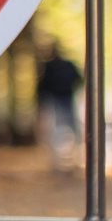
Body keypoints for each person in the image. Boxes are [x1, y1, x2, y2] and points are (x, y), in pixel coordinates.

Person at [36, 37, 82, 172]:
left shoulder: (50, 67)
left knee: (59, 132)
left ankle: (64, 162)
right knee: (67, 132)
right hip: (62, 100)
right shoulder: (64, 65)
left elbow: (42, 87)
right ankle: (69, 161)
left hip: (60, 101)